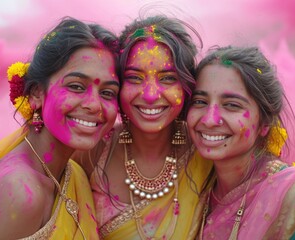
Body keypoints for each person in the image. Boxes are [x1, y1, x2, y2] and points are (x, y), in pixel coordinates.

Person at [0, 17, 120, 239]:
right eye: (76, 87)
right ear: (37, 93)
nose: (94, 105)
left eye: (108, 93)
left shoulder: (69, 171)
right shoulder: (20, 192)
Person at [75, 15, 213, 239]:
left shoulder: (207, 149)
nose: (150, 95)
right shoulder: (93, 149)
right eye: (134, 78)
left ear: (187, 86)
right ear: (117, 83)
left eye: (168, 78)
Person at [187, 46, 295, 239]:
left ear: (264, 124)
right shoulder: (190, 191)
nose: (209, 120)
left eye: (231, 105)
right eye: (200, 101)